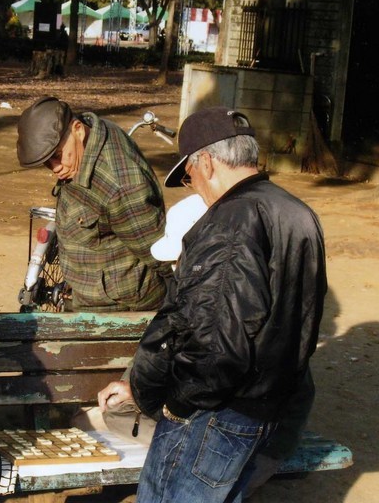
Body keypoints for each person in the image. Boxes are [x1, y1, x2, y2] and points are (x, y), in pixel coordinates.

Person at [130, 107, 327, 502]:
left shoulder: (232, 219)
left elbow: (216, 338)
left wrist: (179, 404)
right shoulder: (298, 212)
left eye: (189, 175)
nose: (193, 186)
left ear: (205, 162)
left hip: (215, 412)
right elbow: (303, 317)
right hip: (264, 407)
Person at [16, 96, 172, 311]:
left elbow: (157, 252)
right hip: (90, 283)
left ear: (78, 130)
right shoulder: (94, 130)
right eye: (47, 162)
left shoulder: (119, 186)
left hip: (117, 306)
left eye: (58, 155)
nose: (55, 168)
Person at [97, 194, 207, 444]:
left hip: (216, 427)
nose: (174, 269)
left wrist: (142, 395)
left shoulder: (215, 300)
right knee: (117, 413)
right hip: (198, 414)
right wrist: (135, 388)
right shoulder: (191, 291)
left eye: (179, 260)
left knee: (122, 418)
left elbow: (202, 383)